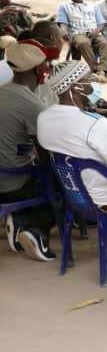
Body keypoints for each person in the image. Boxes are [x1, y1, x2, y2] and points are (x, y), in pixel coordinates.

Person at [37, 60, 107, 210]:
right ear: (76, 88)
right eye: (89, 79)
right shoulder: (95, 123)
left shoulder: (43, 118)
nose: (94, 83)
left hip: (73, 195)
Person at [0, 41, 57, 260]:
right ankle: (36, 229)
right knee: (61, 182)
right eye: (45, 65)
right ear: (36, 70)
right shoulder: (31, 104)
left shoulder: (3, 91)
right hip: (13, 184)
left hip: (4, 172)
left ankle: (18, 219)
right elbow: (45, 154)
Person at [56, 0, 107, 82]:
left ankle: (102, 71)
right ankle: (96, 71)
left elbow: (101, 23)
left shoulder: (93, 6)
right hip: (77, 33)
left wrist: (95, 32)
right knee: (83, 43)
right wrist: (63, 32)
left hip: (94, 32)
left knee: (104, 43)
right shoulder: (64, 6)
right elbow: (63, 24)